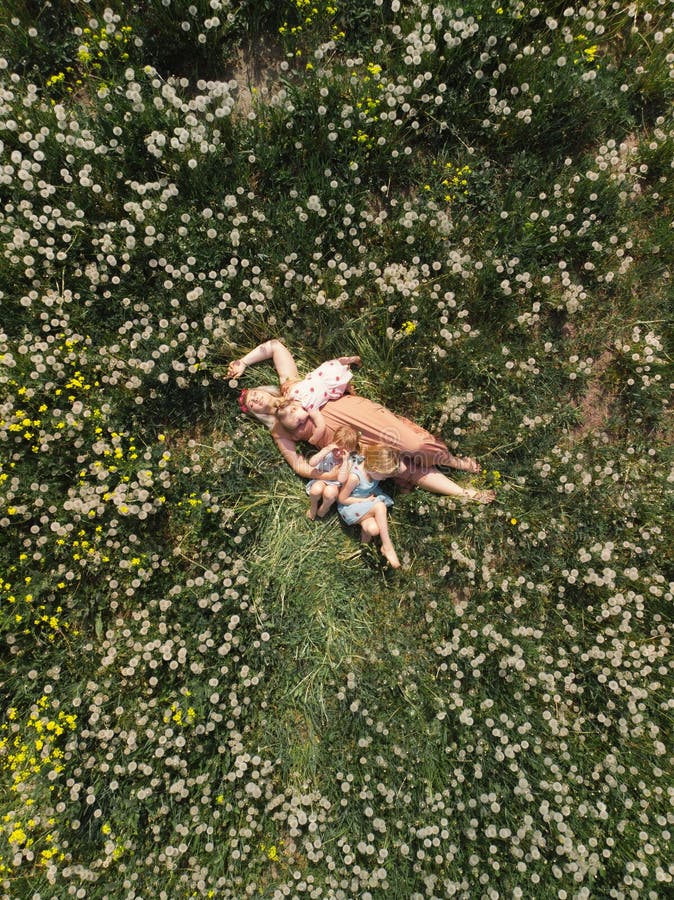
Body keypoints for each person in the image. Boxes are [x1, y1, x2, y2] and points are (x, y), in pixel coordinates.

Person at [227, 339, 495, 503]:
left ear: (265, 389)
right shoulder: (279, 430)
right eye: (251, 404)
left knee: (412, 443)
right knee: (403, 469)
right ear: (256, 413)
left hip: (355, 413)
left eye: (256, 394)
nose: (256, 400)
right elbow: (297, 464)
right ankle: (464, 494)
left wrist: (243, 361)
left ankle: (455, 462)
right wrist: (327, 473)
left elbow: (275, 346)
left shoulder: (289, 384)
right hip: (348, 444)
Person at [337, 444, 401, 568]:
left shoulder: (372, 470)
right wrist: (367, 500)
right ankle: (387, 546)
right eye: (383, 476)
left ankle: (364, 546)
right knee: (380, 506)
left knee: (373, 529)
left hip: (363, 506)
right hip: (349, 507)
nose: (383, 480)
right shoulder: (355, 477)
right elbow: (342, 499)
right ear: (374, 468)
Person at [304, 425, 360, 520]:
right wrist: (326, 450)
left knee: (330, 494)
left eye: (343, 452)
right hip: (321, 480)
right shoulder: (327, 452)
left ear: (350, 451)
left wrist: (345, 461)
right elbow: (312, 463)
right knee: (315, 490)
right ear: (333, 443)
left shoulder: (348, 461)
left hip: (335, 485)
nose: (338, 453)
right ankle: (313, 506)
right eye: (336, 449)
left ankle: (324, 507)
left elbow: (341, 479)